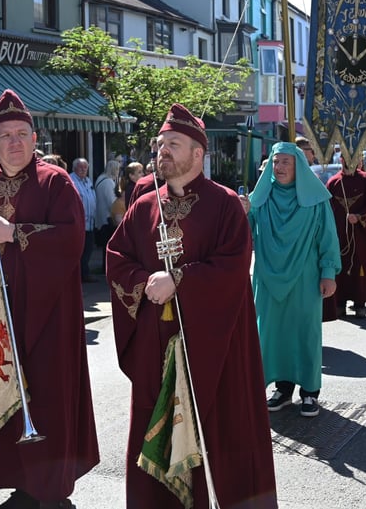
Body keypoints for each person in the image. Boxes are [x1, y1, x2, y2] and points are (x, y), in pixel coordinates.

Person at [106, 104, 277, 509]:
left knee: (219, 434)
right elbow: (117, 257)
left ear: (198, 153)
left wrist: (179, 280)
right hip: (156, 345)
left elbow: (233, 267)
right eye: (161, 144)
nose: (163, 150)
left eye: (174, 144)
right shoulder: (144, 206)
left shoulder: (225, 205)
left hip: (216, 349)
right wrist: (146, 281)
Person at [0, 89, 99, 508]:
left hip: (45, 319)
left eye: (22, 134)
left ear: (35, 139)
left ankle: (50, 490)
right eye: (6, 136)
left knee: (46, 399)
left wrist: (11, 234)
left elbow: (71, 239)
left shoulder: (55, 182)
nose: (15, 142)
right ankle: (19, 483)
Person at [246, 143, 341, 418]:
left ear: (298, 165)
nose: (279, 167)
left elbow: (327, 238)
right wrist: (242, 211)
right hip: (267, 278)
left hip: (305, 278)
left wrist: (328, 273)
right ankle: (282, 389)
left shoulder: (316, 199)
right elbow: (244, 232)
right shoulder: (260, 199)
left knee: (304, 333)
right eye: (276, 162)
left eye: (286, 162)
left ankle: (310, 391)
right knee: (272, 334)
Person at [326, 155, 366, 318]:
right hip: (339, 236)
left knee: (359, 267)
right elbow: (326, 210)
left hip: (360, 235)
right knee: (340, 268)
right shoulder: (333, 182)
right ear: (341, 160)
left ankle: (360, 303)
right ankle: (340, 303)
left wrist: (359, 217)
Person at [69, 157, 98, 282]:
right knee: (79, 251)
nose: (83, 170)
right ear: (74, 168)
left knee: (88, 249)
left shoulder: (88, 181)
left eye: (85, 167)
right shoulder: (71, 180)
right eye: (80, 167)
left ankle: (85, 273)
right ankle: (79, 276)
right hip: (79, 223)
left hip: (90, 223)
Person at [94, 159, 121, 246]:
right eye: (118, 169)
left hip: (101, 218)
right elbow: (112, 203)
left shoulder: (100, 178)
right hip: (108, 219)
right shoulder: (109, 182)